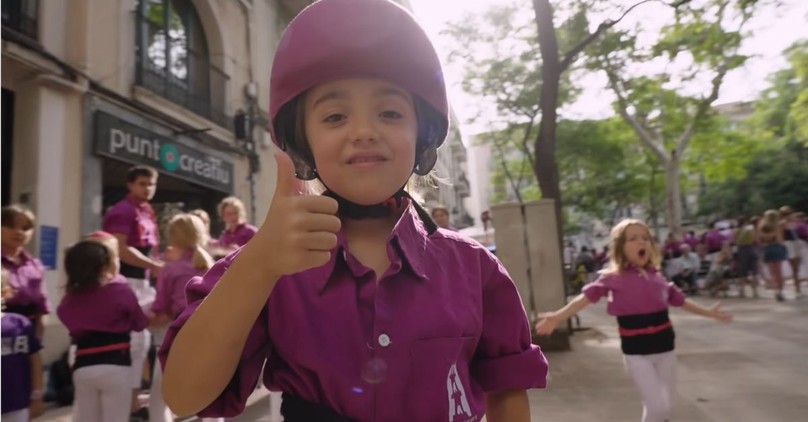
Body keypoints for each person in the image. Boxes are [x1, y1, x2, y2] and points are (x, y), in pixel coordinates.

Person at [160, 1, 548, 421]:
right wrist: (257, 266)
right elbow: (184, 397)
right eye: (334, 115)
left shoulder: (475, 269)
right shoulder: (269, 266)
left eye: (390, 112)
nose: (364, 131)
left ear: (423, 134)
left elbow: (507, 395)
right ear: (302, 139)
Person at [535, 219, 731, 422]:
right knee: (656, 408)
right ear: (621, 246)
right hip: (637, 353)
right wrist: (558, 316)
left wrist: (709, 313)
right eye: (633, 239)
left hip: (666, 350)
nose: (641, 243)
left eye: (645, 238)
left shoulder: (658, 277)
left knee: (664, 408)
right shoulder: (612, 278)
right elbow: (585, 298)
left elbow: (680, 300)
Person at [56, 235, 149, 422]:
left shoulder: (70, 297)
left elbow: (64, 316)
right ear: (105, 265)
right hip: (116, 365)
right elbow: (140, 323)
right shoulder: (120, 290)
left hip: (82, 367)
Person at [102, 165, 164, 418]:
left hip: (144, 283)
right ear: (130, 185)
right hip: (125, 280)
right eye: (142, 183)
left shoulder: (147, 211)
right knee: (134, 342)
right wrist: (153, 265)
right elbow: (120, 247)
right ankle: (129, 401)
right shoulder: (122, 210)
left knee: (147, 339)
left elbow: (153, 248)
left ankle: (137, 398)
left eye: (151, 184)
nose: (147, 188)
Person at [149, 214, 219, 422]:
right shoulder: (212, 267)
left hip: (178, 334)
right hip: (209, 333)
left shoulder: (170, 270)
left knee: (159, 397)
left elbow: (161, 310)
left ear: (172, 238)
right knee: (212, 393)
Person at [1, 268, 45, 422]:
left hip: (17, 405)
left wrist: (37, 395)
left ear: (4, 293)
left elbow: (34, 360)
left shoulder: (20, 323)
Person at [1, 205, 49, 339]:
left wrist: (37, 340)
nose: (19, 232)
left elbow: (42, 308)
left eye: (25, 228)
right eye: (11, 226)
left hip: (27, 331)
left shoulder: (35, 266)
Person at [758, 210, 788, 301]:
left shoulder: (761, 227)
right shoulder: (778, 225)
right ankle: (780, 291)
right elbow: (780, 239)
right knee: (779, 271)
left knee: (772, 272)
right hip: (777, 247)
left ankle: (776, 291)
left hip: (767, 248)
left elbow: (759, 240)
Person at [734, 216, 759, 298]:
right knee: (754, 270)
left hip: (741, 250)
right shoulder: (750, 229)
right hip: (751, 248)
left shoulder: (736, 231)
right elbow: (755, 239)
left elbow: (735, 241)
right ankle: (755, 292)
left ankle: (742, 291)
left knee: (742, 271)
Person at [780, 206, 803, 295]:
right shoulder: (782, 223)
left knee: (797, 267)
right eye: (787, 213)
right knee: (794, 267)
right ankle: (797, 288)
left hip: (796, 242)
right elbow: (781, 236)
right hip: (789, 244)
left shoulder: (794, 222)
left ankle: (798, 287)